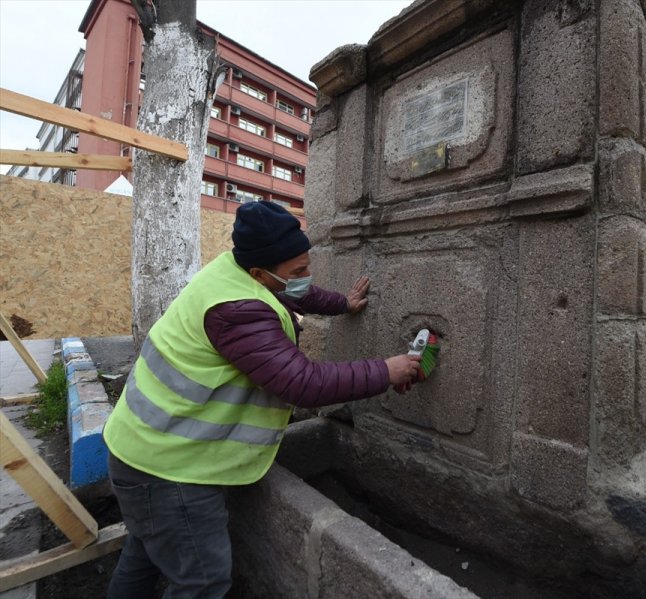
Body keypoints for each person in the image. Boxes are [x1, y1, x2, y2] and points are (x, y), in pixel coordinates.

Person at [103, 201, 421, 598]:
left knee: (146, 554)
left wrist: (343, 304)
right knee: (202, 581)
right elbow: (301, 383)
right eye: (298, 271)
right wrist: (386, 371)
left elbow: (294, 292)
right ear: (259, 273)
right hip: (169, 471)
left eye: (307, 265)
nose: (307, 276)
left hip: (144, 451)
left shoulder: (236, 274)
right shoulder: (236, 311)